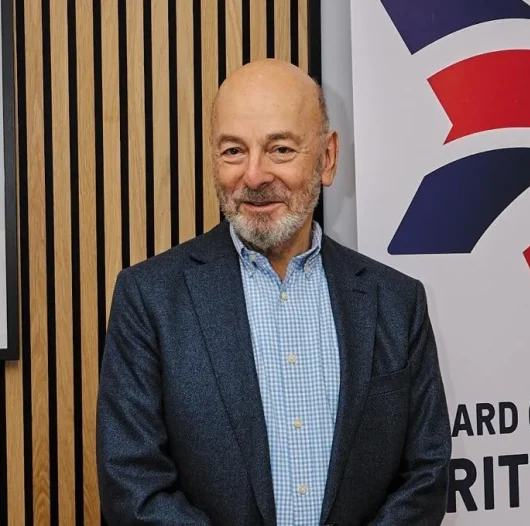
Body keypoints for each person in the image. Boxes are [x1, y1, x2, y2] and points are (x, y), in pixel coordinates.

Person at [96, 59, 451, 526]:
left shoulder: (396, 302)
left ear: (326, 158)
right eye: (232, 151)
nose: (255, 175)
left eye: (280, 149)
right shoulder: (149, 299)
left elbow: (425, 475)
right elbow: (132, 486)